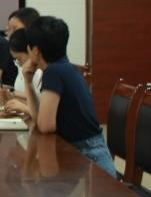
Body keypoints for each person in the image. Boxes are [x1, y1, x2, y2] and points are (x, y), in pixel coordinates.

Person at [20, 15, 117, 178]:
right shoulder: (63, 67)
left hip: (88, 157)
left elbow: (45, 126)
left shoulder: (54, 72)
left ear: (35, 51)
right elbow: (40, 121)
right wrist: (28, 83)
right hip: (81, 152)